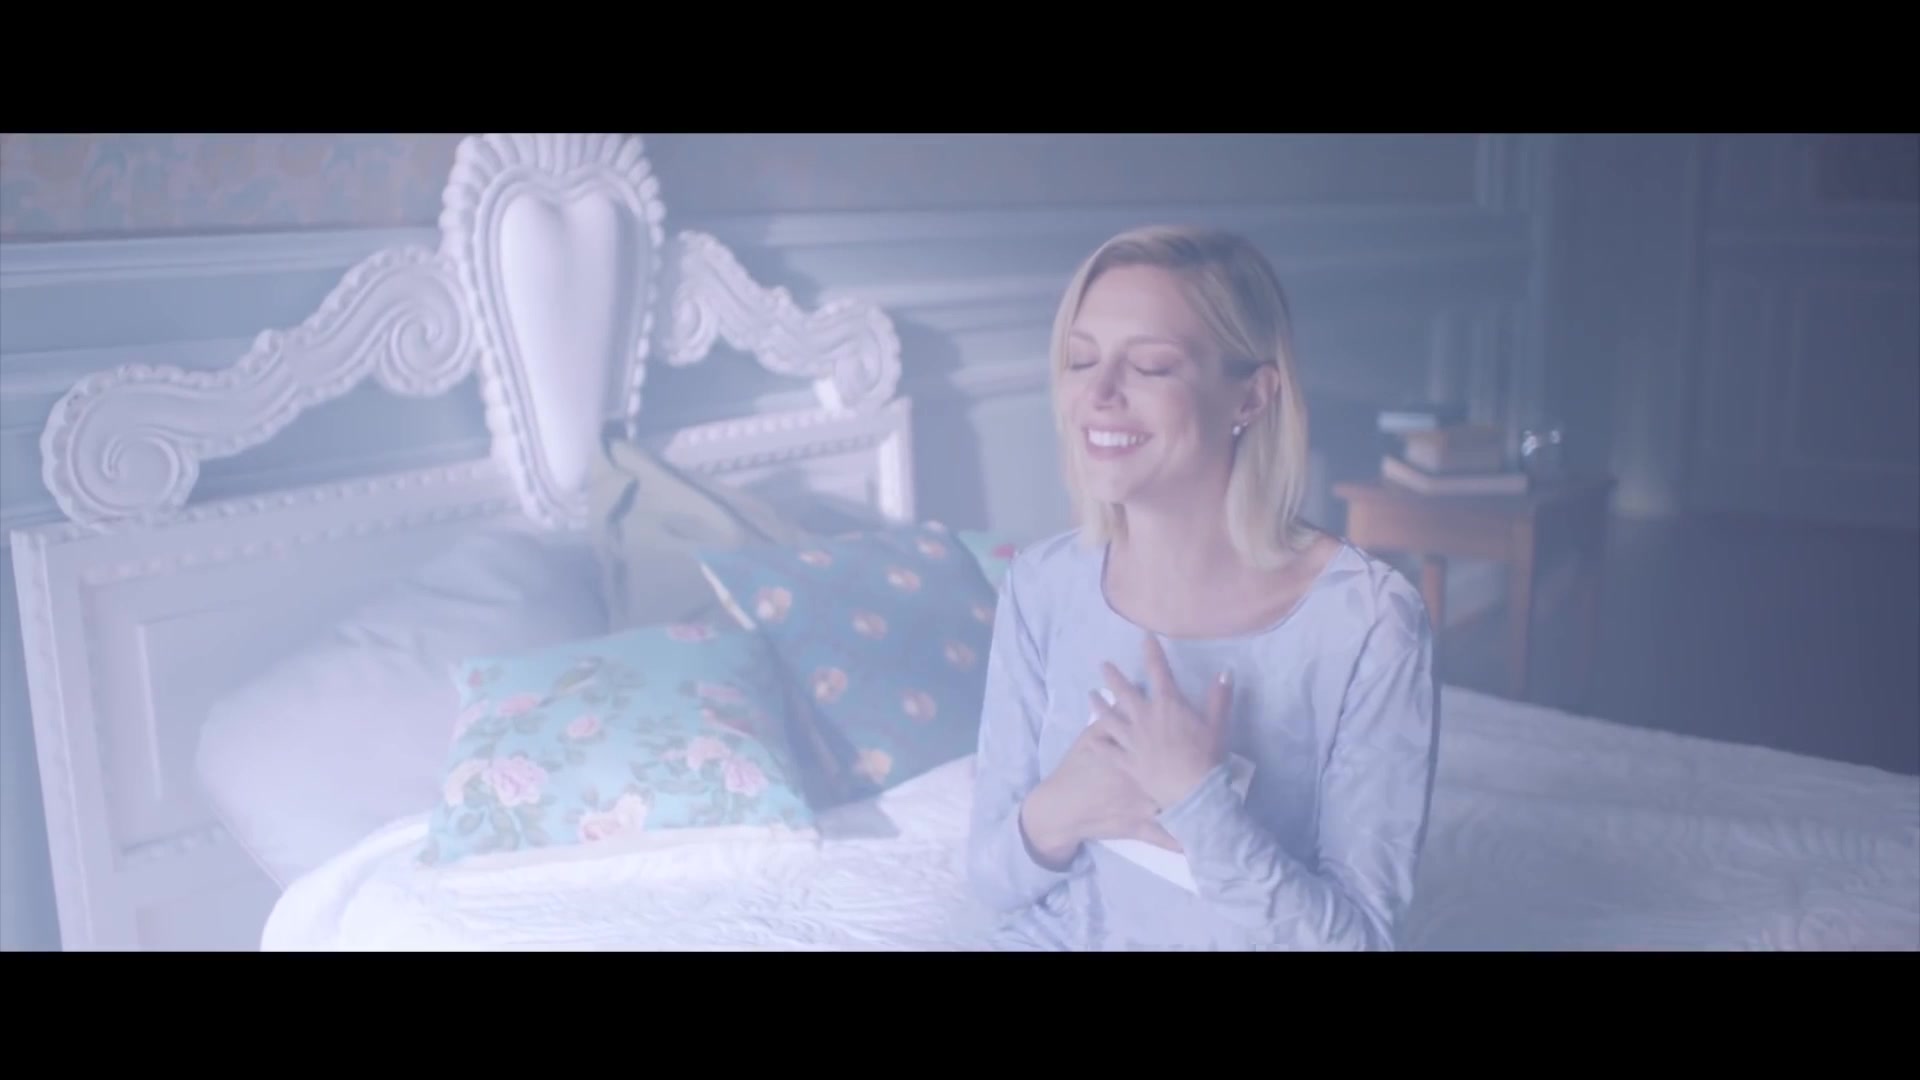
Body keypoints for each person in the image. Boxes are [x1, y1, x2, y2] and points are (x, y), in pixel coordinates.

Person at [964, 225, 1440, 951]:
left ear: (1251, 396)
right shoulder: (1040, 585)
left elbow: (1361, 941)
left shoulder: (1369, 621)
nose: (1098, 393)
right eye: (1080, 359)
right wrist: (1061, 809)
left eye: (1151, 366)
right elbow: (992, 883)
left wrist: (1196, 802)